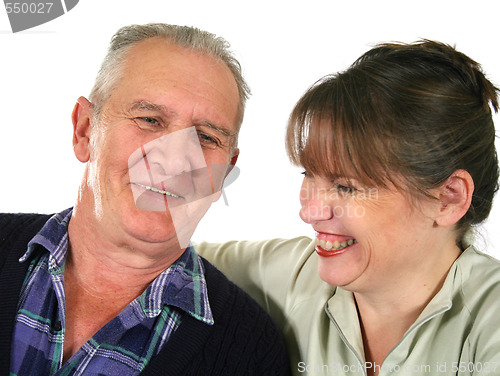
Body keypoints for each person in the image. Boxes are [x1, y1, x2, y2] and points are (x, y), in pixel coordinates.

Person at [0, 23, 290, 375]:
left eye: (207, 137)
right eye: (150, 119)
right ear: (85, 130)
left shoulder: (252, 353)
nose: (175, 159)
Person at [197, 40, 500, 375]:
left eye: (345, 186)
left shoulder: (491, 321)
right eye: (309, 174)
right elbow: (155, 265)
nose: (310, 212)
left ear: (449, 198)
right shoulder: (292, 277)